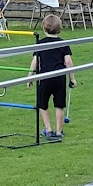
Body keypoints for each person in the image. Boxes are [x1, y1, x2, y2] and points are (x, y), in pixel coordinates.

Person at [31, 13, 73, 141]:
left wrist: (30, 76)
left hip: (44, 78)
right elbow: (68, 62)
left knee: (43, 104)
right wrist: (72, 78)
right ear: (60, 28)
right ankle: (59, 131)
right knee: (59, 105)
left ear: (44, 27)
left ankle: (48, 130)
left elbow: (35, 61)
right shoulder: (63, 43)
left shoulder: (40, 43)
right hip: (59, 78)